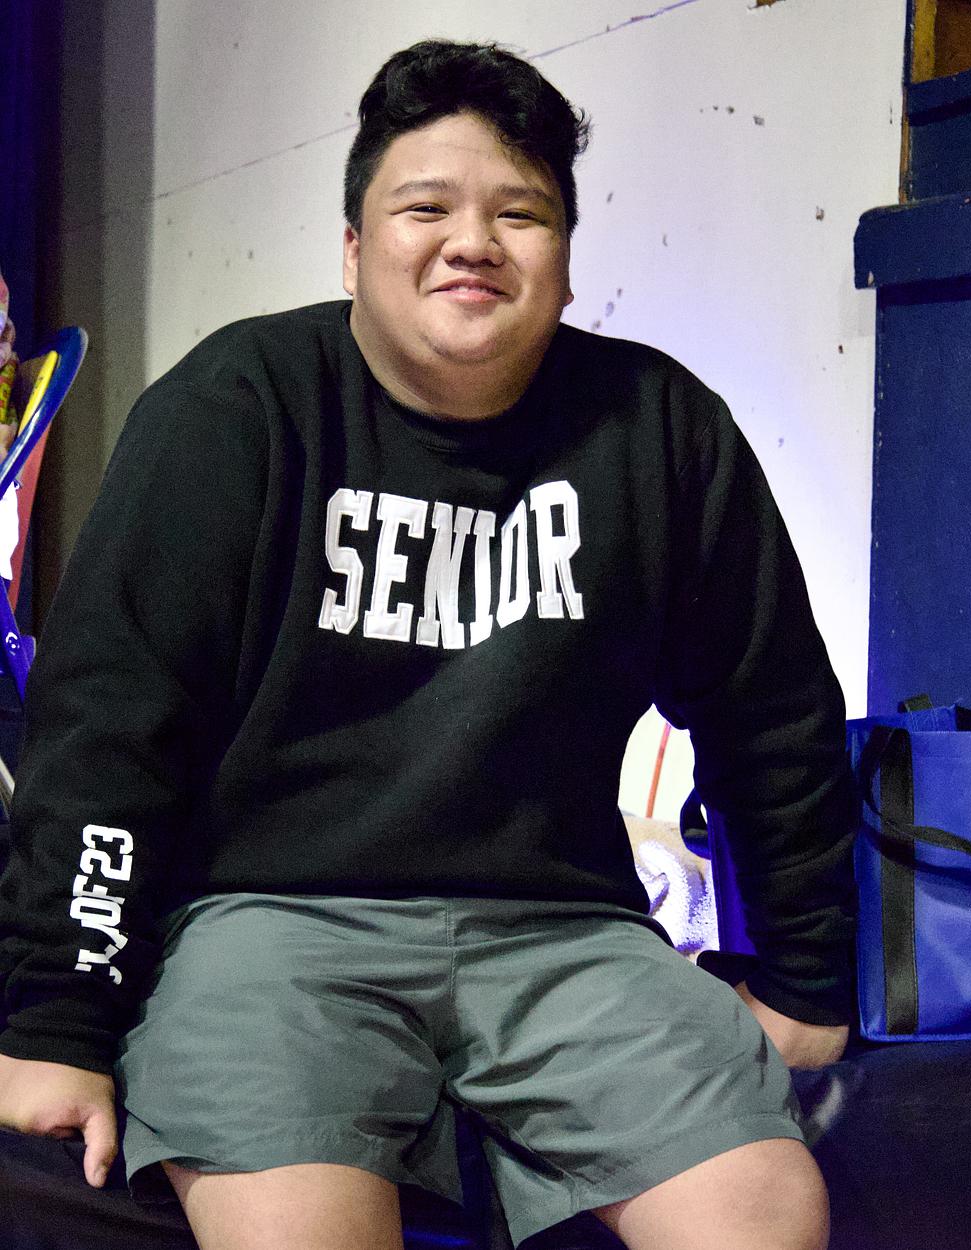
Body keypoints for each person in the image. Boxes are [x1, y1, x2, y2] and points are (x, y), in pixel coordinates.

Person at [0, 40, 855, 1250]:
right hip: (269, 923)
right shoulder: (234, 408)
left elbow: (771, 711)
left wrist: (807, 974)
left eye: (521, 213)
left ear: (565, 259)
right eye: (425, 209)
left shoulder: (660, 427)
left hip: (567, 935)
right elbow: (106, 732)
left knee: (765, 1212)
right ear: (354, 248)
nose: (473, 242)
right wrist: (56, 1020)